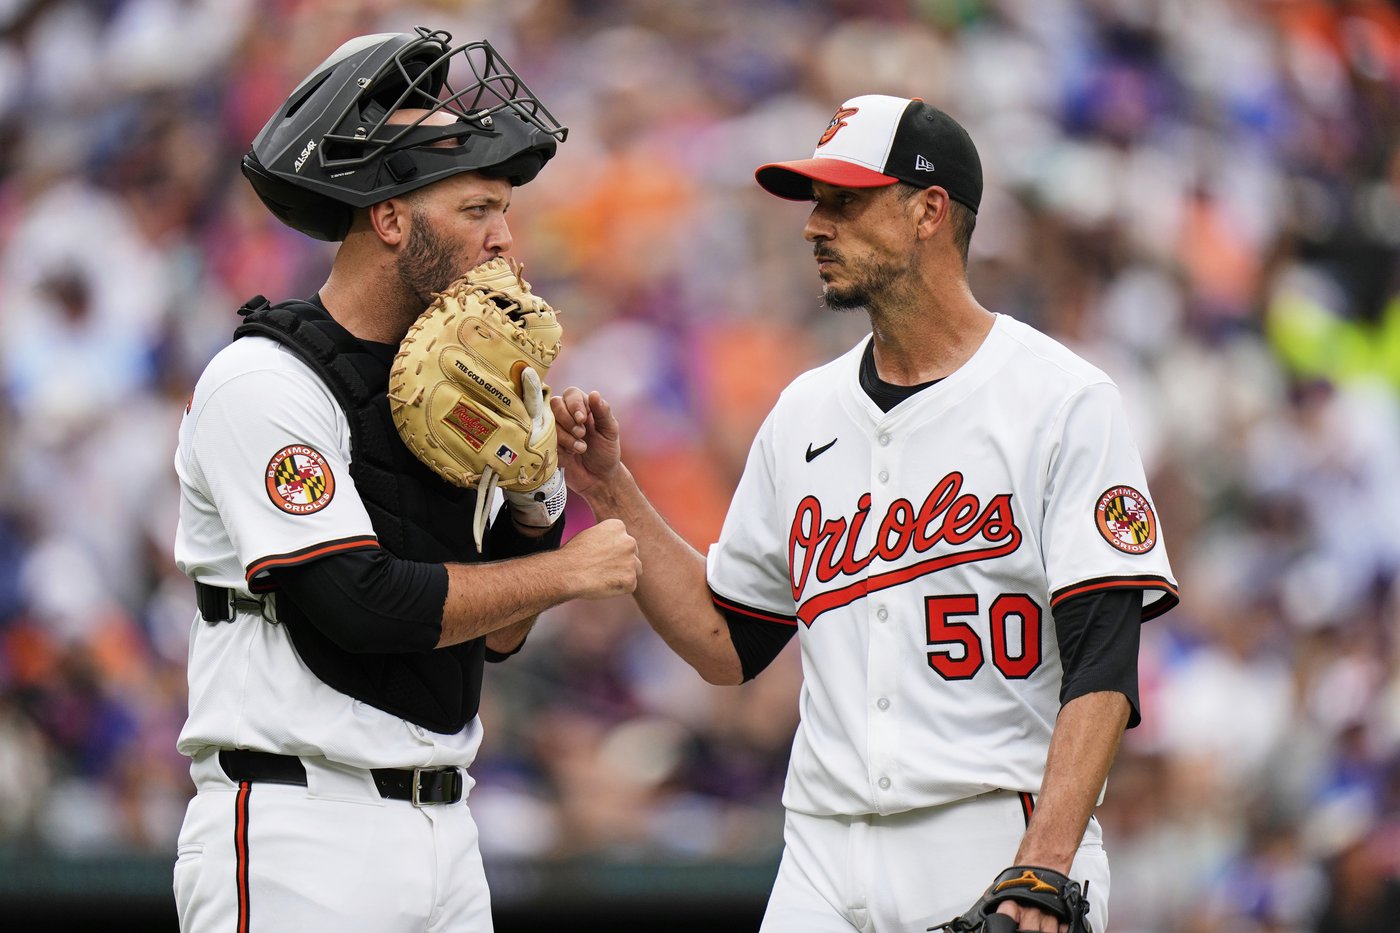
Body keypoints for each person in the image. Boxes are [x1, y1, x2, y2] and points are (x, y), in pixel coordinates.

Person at [554, 94, 1179, 932]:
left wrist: (1044, 863)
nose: (816, 225)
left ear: (929, 211)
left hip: (991, 835)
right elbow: (726, 640)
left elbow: (1103, 662)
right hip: (820, 848)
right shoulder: (804, 412)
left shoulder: (1061, 400)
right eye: (816, 203)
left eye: (845, 201)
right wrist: (610, 487)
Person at [171, 27, 639, 933]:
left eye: (506, 210)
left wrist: (542, 493)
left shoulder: (457, 386)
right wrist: (571, 566)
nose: (505, 239)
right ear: (389, 218)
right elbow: (356, 603)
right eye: (477, 209)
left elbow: (496, 637)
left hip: (446, 828)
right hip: (297, 827)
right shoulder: (265, 381)